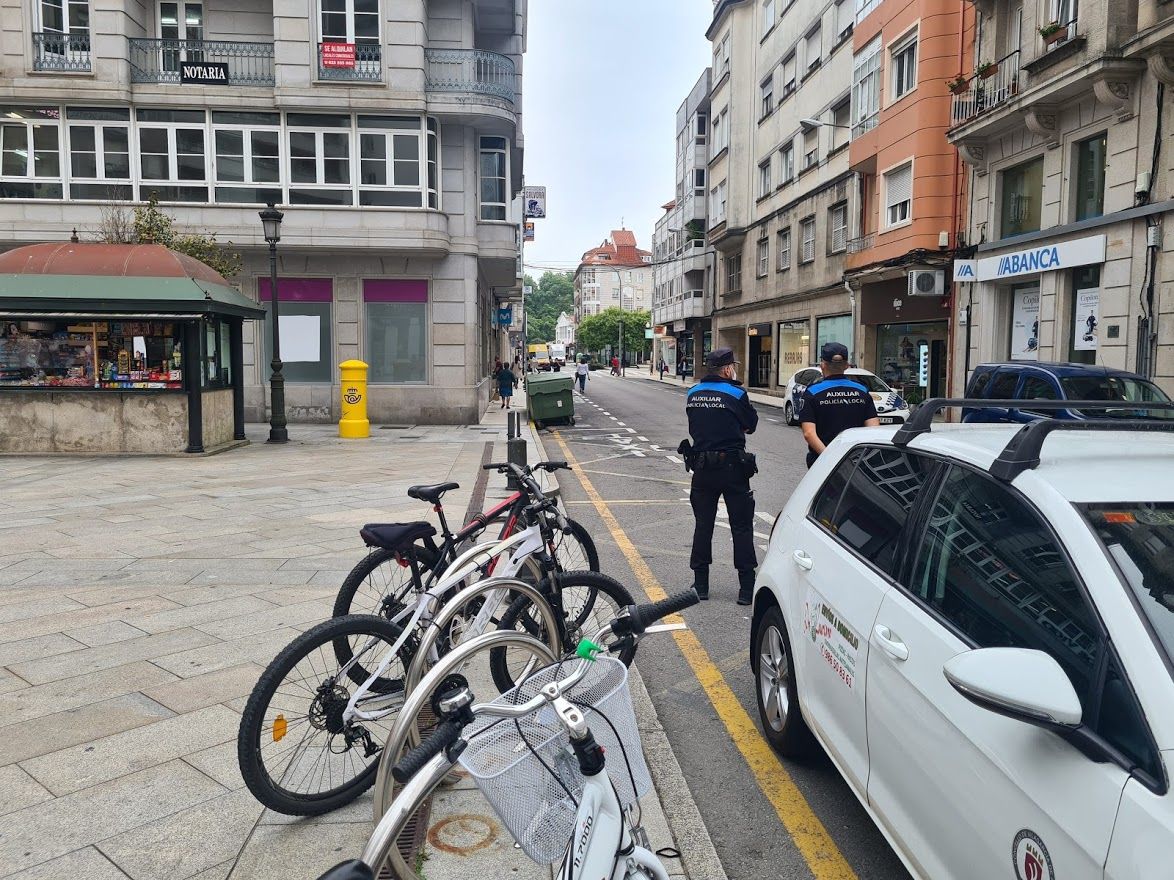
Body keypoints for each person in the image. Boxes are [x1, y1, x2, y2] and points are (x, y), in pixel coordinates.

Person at [680, 348, 759, 605]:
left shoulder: (693, 393)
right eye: (732, 366)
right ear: (727, 369)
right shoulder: (736, 393)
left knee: (703, 525)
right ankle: (746, 588)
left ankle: (700, 585)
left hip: (702, 468)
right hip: (732, 469)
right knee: (742, 526)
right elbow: (751, 425)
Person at [798, 342, 880, 469]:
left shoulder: (812, 392)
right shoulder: (862, 390)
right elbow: (873, 430)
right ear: (846, 366)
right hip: (856, 461)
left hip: (823, 462)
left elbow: (809, 433)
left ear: (823, 365)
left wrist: (830, 458)